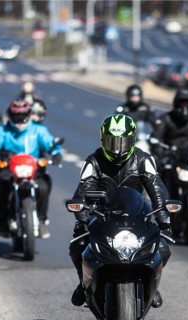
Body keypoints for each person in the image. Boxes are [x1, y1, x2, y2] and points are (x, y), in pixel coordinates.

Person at [69, 114, 172, 308]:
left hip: (136, 216)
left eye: (122, 142)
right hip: (101, 217)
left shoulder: (143, 159)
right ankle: (84, 284)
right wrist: (82, 218)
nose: (117, 149)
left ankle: (151, 285)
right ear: (103, 140)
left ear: (132, 140)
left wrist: (164, 220)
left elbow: (157, 189)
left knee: (163, 247)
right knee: (77, 245)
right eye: (112, 142)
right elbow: (83, 191)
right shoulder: (94, 161)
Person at [0, 99, 62, 239]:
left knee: (44, 185)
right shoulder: (3, 130)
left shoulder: (38, 130)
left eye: (22, 116)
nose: (19, 120)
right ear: (9, 116)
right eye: (15, 116)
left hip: (34, 167)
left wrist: (56, 154)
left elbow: (51, 143)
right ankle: (1, 220)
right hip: (9, 167)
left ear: (29, 115)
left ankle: (42, 220)